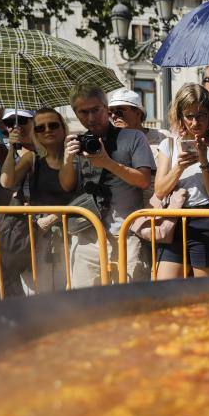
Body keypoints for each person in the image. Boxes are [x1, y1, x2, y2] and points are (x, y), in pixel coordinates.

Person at [66, 84, 153, 286]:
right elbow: (67, 185)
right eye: (83, 112)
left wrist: (107, 163)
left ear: (106, 108)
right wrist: (67, 158)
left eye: (95, 110)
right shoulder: (77, 143)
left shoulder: (133, 137)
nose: (90, 117)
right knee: (87, 307)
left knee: (130, 305)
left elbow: (143, 179)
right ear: (76, 114)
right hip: (88, 235)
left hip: (126, 234)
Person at [153, 84, 209, 280]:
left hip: (207, 223)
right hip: (174, 222)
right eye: (189, 116)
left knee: (206, 295)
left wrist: (204, 161)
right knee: (166, 291)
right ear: (180, 117)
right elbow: (159, 191)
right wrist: (179, 167)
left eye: (200, 115)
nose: (195, 122)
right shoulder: (169, 145)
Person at [0, 108, 77, 294]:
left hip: (71, 236)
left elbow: (73, 190)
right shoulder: (31, 158)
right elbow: (6, 181)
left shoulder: (77, 155)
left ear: (63, 128)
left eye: (53, 125)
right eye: (40, 128)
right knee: (37, 298)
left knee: (68, 300)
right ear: (35, 133)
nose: (47, 130)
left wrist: (52, 218)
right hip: (37, 236)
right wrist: (11, 147)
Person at [108, 87, 171, 205]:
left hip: (159, 210)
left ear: (138, 113)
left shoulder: (162, 137)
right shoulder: (109, 142)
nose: (114, 116)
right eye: (110, 112)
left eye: (119, 111)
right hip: (127, 212)